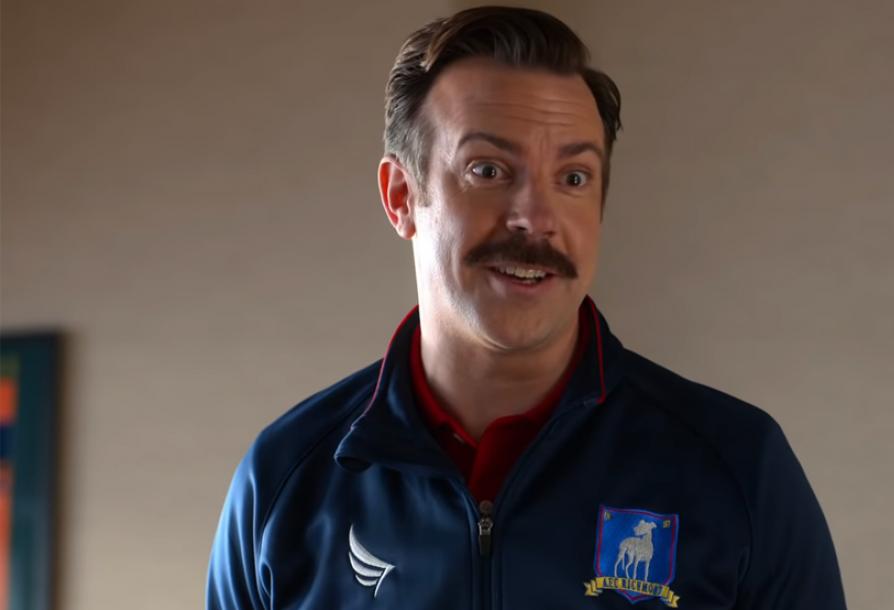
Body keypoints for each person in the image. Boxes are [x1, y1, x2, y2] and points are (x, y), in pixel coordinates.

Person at [206, 6, 846, 609]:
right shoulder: (283, 482)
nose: (536, 218)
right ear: (401, 195)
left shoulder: (739, 466)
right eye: (487, 170)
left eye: (573, 178)